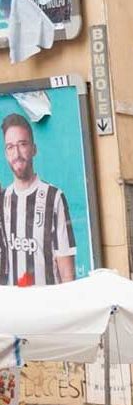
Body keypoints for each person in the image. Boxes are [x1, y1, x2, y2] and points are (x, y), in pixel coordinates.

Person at [1, 112, 76, 286]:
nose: (16, 153)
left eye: (22, 144)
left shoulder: (54, 197)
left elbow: (67, 272)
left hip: (48, 301)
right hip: (13, 302)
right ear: (5, 154)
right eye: (10, 147)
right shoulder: (2, 199)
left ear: (34, 149)